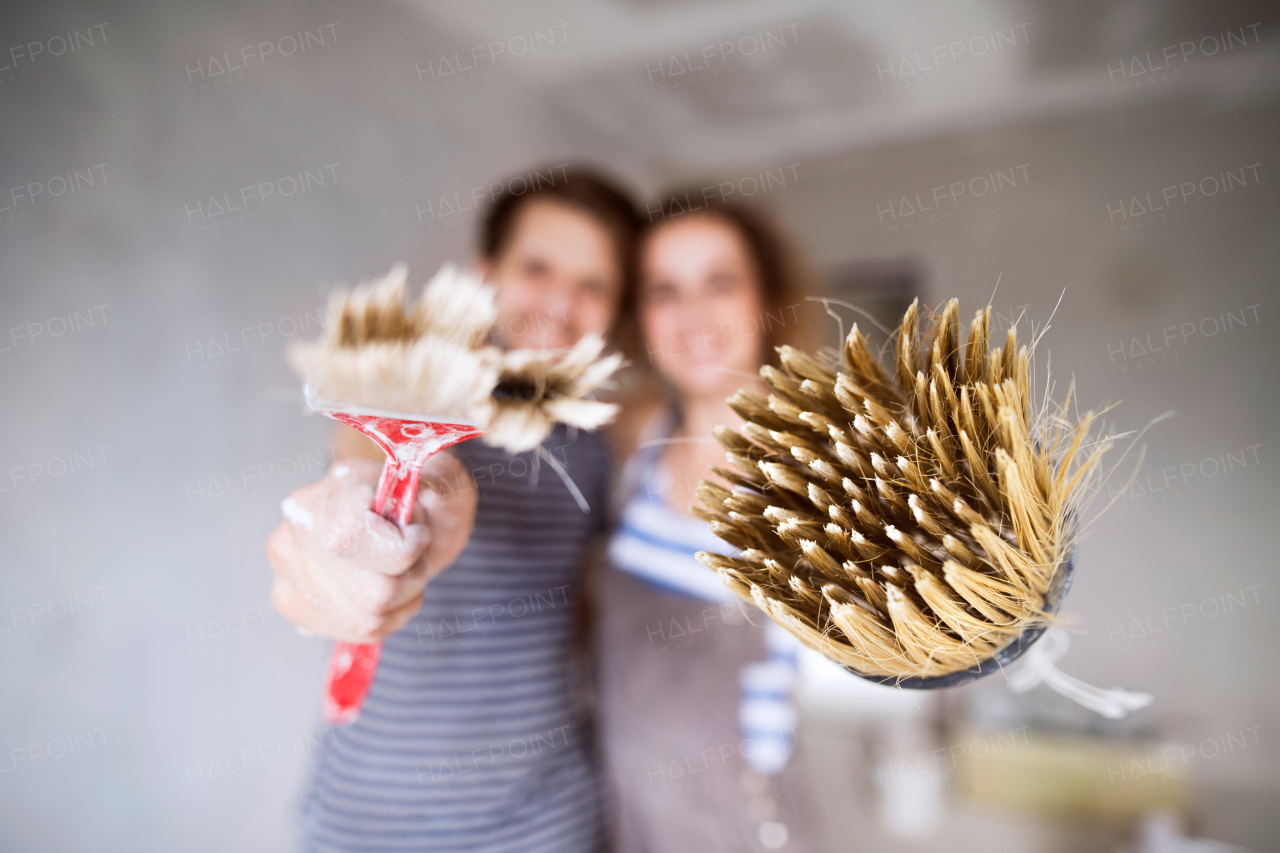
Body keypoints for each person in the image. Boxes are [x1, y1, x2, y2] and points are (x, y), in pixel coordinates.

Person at [266, 168, 643, 852]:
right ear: (485, 272)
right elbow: (369, 470)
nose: (562, 301)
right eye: (538, 267)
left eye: (594, 283)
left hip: (545, 815)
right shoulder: (401, 397)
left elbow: (577, 602)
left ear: (617, 307)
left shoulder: (602, 443)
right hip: (369, 814)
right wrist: (372, 523)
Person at [597, 197, 817, 852]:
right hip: (626, 805)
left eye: (719, 282)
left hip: (738, 819)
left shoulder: (814, 459)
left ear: (766, 298)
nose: (692, 314)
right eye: (665, 290)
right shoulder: (638, 435)